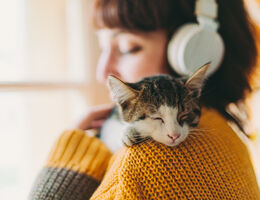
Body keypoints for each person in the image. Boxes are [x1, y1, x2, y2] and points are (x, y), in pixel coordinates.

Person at [29, 0, 260, 199]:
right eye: (102, 47)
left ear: (195, 52)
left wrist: (68, 164)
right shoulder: (223, 134)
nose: (103, 72)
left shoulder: (146, 162)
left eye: (128, 48)